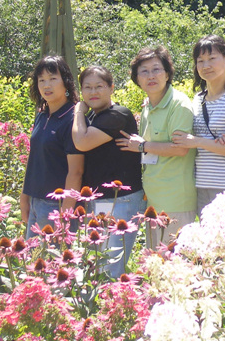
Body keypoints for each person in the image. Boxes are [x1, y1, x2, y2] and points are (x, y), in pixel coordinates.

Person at [116, 46, 196, 249]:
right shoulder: (148, 107)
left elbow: (181, 148)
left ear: (167, 74)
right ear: (137, 79)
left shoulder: (178, 104)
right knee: (155, 261)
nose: (150, 76)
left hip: (175, 201)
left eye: (156, 69)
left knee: (174, 261)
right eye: (144, 71)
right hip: (153, 199)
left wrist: (142, 146)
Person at [71, 65, 144, 277]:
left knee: (110, 267)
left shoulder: (117, 115)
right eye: (87, 87)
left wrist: (78, 111)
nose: (93, 92)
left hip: (120, 200)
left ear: (111, 88)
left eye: (99, 86)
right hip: (100, 200)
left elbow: (82, 142)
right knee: (96, 265)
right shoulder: (95, 117)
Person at [171, 35, 225, 217]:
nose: (205, 65)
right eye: (200, 60)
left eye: (211, 58)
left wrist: (196, 141)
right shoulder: (198, 99)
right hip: (202, 186)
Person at [20, 55, 84, 240]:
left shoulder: (73, 119)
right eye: (41, 80)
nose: (46, 85)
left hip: (56, 206)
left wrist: (65, 216)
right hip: (35, 200)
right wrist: (24, 197)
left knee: (55, 257)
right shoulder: (42, 115)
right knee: (32, 256)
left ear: (66, 82)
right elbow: (34, 158)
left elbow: (76, 171)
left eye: (53, 78)